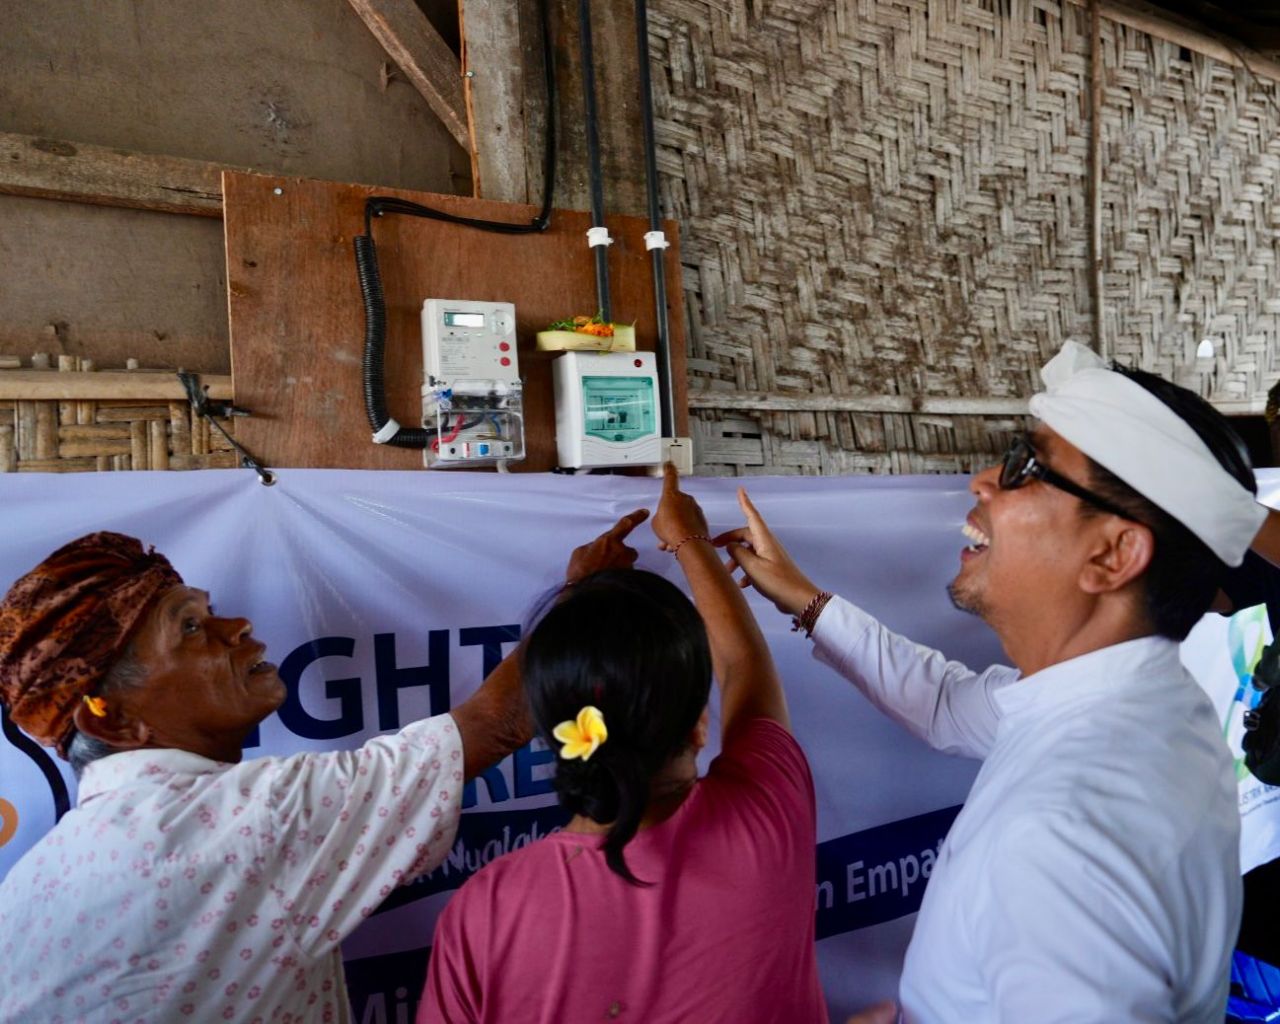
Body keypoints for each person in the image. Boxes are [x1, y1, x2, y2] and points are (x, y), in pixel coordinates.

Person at [718, 341, 1263, 1023]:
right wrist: (803, 598)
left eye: (1026, 467)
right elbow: (945, 703)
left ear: (1112, 554)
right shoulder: (1124, 702)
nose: (983, 481)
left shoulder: (1070, 832)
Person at [0, 514, 646, 1024]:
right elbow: (497, 724)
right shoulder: (240, 822)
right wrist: (582, 595)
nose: (237, 626)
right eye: (191, 628)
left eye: (209, 611)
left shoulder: (30, 882)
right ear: (111, 720)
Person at [418, 465, 827, 1024]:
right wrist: (688, 539)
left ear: (555, 733)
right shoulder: (765, 818)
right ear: (699, 726)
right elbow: (743, 664)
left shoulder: (485, 912)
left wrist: (577, 597)